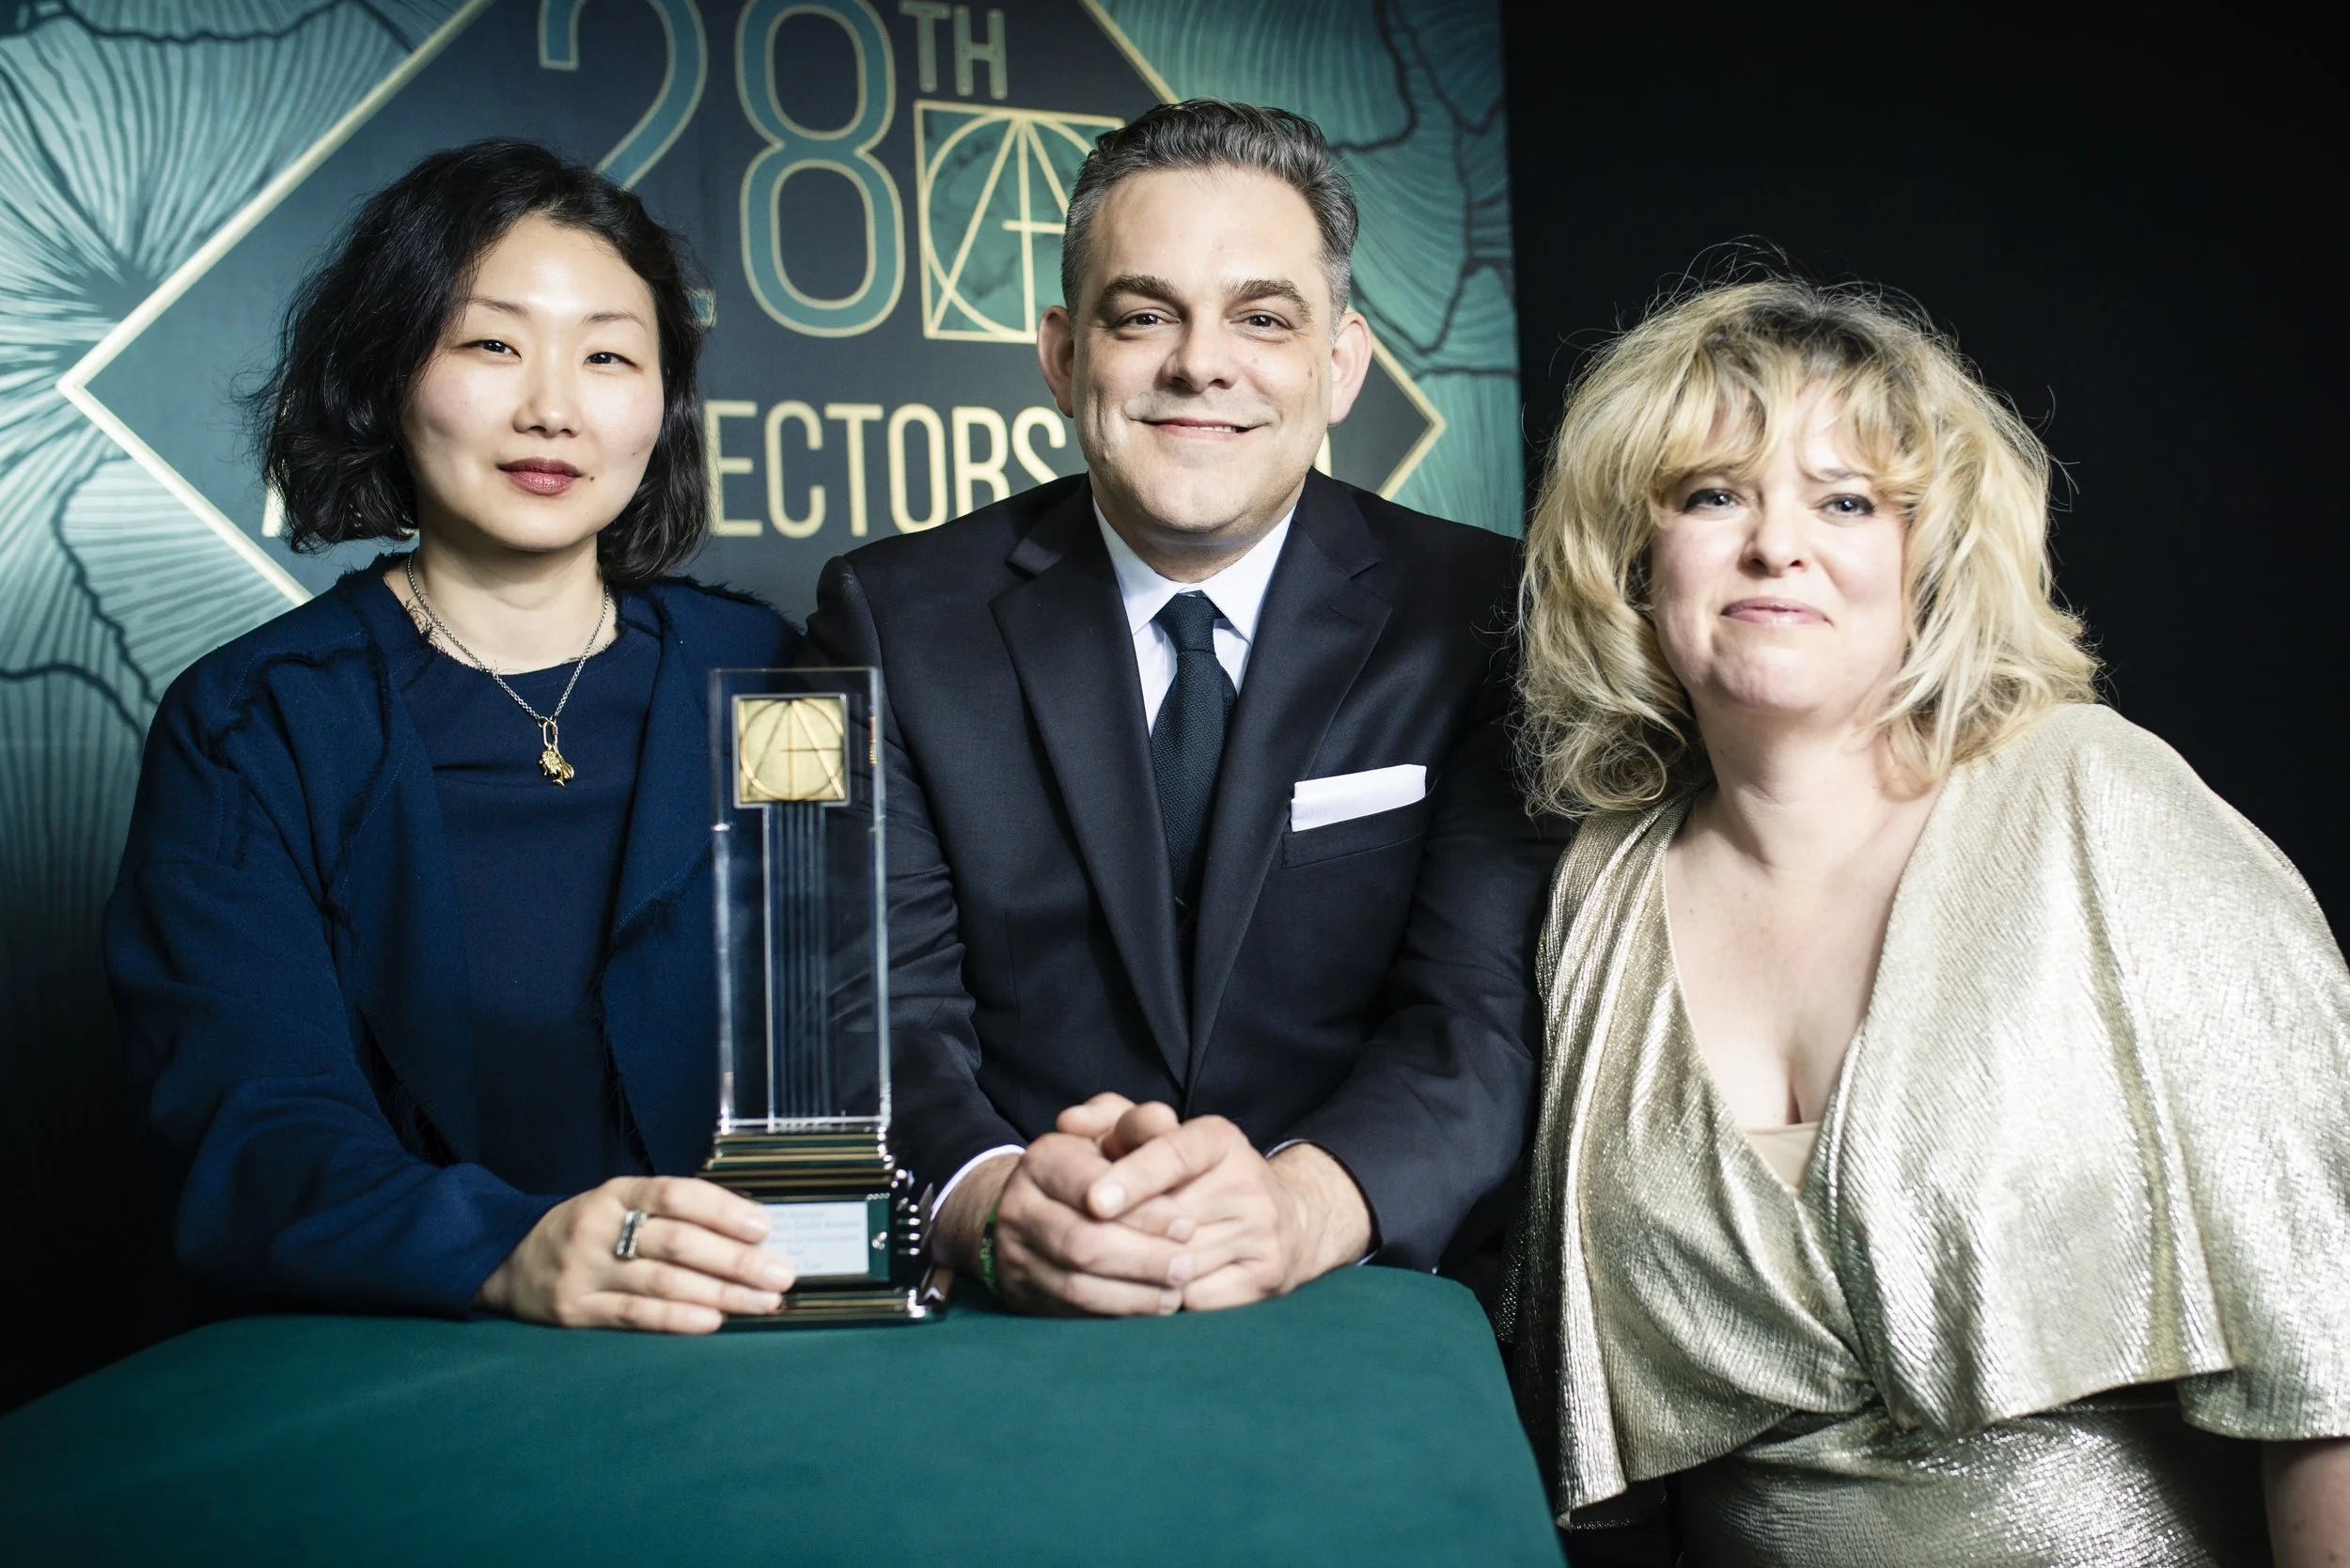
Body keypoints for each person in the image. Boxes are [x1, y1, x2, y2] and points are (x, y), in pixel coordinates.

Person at [1500, 276, 2350, 1564]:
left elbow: (2329, 1347)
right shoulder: (1597, 894)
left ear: (1930, 560)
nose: (1777, 545)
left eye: (1846, 502)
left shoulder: (2099, 807)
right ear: (1635, 556)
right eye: (1714, 494)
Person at [803, 101, 1558, 1316]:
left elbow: (1478, 1022)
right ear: (1061, 354)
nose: (1200, 362)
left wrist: (1297, 1209)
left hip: (1369, 1310)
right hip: (1012, 1320)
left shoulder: (1486, 615)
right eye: (1144, 314)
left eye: (1261, 319)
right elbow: (873, 1011)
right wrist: (997, 1204)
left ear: (1341, 366)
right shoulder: (890, 623)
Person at [107, 140, 801, 1334]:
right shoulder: (257, 724)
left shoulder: (773, 680)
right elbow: (255, 1125)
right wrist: (507, 1249)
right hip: (421, 1362)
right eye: (491, 343)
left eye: (608, 355)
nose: (553, 407)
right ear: (387, 373)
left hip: (775, 1345)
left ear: (664, 405)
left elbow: (878, 1021)